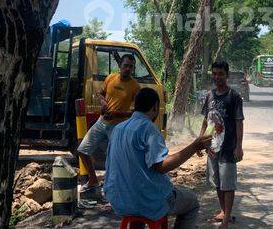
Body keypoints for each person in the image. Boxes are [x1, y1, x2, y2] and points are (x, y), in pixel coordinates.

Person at [104, 88, 212, 228]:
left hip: (118, 199)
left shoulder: (118, 128)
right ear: (155, 107)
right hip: (146, 201)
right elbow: (162, 166)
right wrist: (194, 146)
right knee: (192, 203)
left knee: (139, 208)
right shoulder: (147, 128)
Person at [77, 53, 140, 193]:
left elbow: (137, 111)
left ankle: (116, 189)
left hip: (118, 127)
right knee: (82, 150)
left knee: (116, 159)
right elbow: (100, 93)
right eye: (125, 66)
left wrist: (118, 114)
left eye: (131, 67)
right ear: (120, 66)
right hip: (101, 122)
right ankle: (93, 181)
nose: (128, 69)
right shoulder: (111, 78)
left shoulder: (135, 86)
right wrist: (103, 103)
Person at [199, 60, 244, 228]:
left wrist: (239, 146)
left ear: (227, 75)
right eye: (215, 73)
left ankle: (226, 218)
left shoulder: (234, 97)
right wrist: (201, 140)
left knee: (228, 184)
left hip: (228, 148)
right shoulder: (210, 95)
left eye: (221, 74)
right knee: (217, 182)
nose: (217, 77)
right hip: (212, 148)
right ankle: (224, 211)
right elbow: (206, 120)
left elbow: (239, 122)